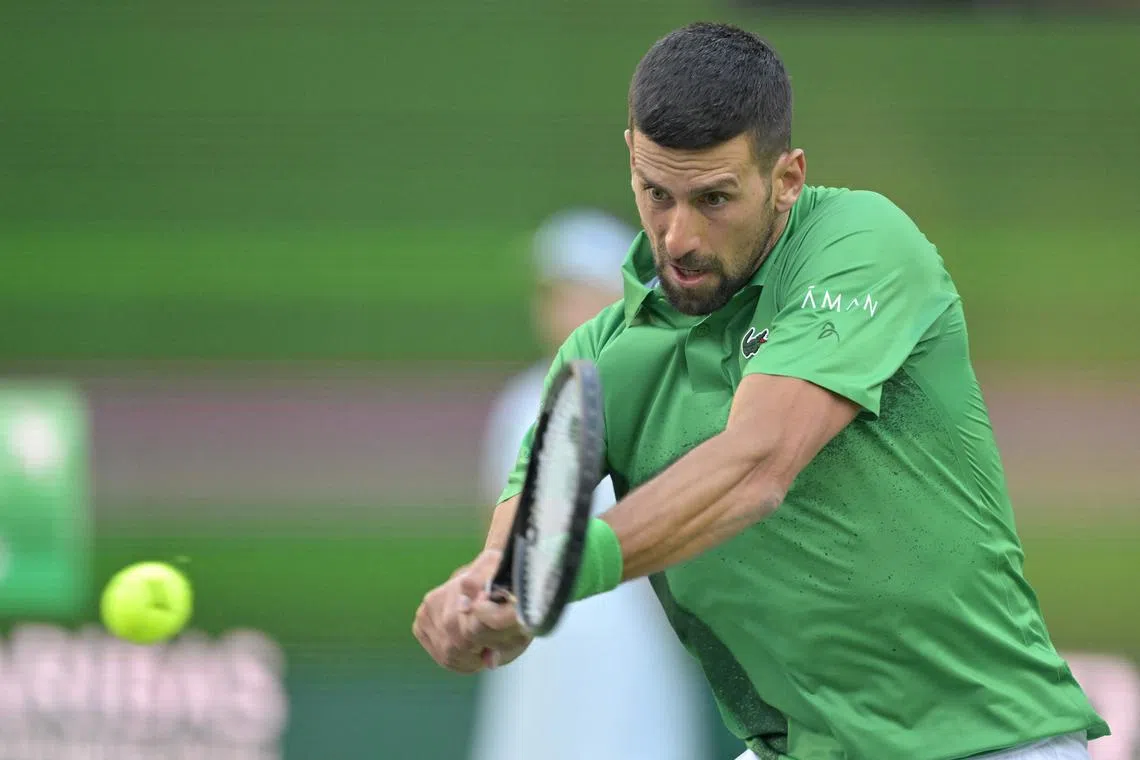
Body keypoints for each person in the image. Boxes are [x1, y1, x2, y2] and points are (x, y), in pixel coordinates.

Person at [414, 22, 1110, 760]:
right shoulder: (597, 358)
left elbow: (757, 464)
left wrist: (549, 572)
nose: (678, 235)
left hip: (986, 741)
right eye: (656, 193)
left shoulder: (860, 242)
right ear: (631, 159)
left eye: (714, 199)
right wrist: (477, 611)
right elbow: (516, 556)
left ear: (787, 179)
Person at [467, 208, 709, 760]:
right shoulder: (519, 403)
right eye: (552, 293)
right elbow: (494, 534)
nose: (560, 309)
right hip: (534, 650)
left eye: (577, 291)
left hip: (629, 649)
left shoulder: (660, 398)